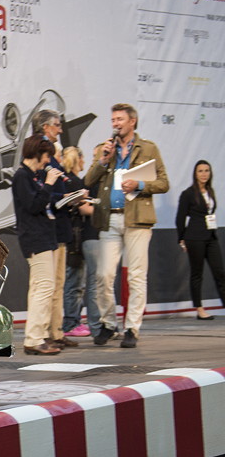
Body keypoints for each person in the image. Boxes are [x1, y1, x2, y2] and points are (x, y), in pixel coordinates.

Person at [84, 103, 169, 348]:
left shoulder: (148, 148)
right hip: (110, 218)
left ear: (132, 121)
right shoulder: (105, 149)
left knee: (136, 276)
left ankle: (132, 327)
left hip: (137, 219)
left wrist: (140, 186)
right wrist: (103, 160)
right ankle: (108, 323)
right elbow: (88, 180)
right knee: (104, 274)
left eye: (120, 119)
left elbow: (163, 182)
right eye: (113, 120)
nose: (115, 124)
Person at [12, 134, 65, 355]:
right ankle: (34, 338)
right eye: (46, 156)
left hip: (43, 236)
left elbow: (40, 202)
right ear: (38, 153)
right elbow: (34, 206)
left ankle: (37, 336)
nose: (47, 161)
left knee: (39, 288)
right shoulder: (22, 176)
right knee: (44, 288)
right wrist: (49, 185)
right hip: (35, 238)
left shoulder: (33, 176)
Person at [33, 110, 77, 350]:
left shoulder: (51, 154)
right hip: (50, 226)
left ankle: (56, 331)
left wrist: (70, 196)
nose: (61, 130)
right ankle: (44, 334)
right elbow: (44, 190)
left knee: (58, 282)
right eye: (57, 125)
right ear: (45, 127)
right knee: (49, 284)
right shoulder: (43, 154)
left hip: (59, 225)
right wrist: (65, 196)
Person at [176, 160, 224, 320]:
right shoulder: (188, 193)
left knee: (220, 272)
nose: (204, 174)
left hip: (211, 236)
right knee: (197, 274)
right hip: (194, 237)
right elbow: (180, 218)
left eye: (206, 171)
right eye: (200, 171)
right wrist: (181, 239)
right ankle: (199, 309)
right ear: (195, 174)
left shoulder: (210, 191)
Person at [61, 146, 101, 337]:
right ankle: (71, 322)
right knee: (75, 281)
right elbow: (85, 210)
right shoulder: (74, 181)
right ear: (78, 159)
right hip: (75, 238)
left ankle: (72, 320)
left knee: (75, 281)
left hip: (73, 236)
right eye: (86, 158)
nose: (87, 163)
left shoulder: (69, 180)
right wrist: (106, 212)